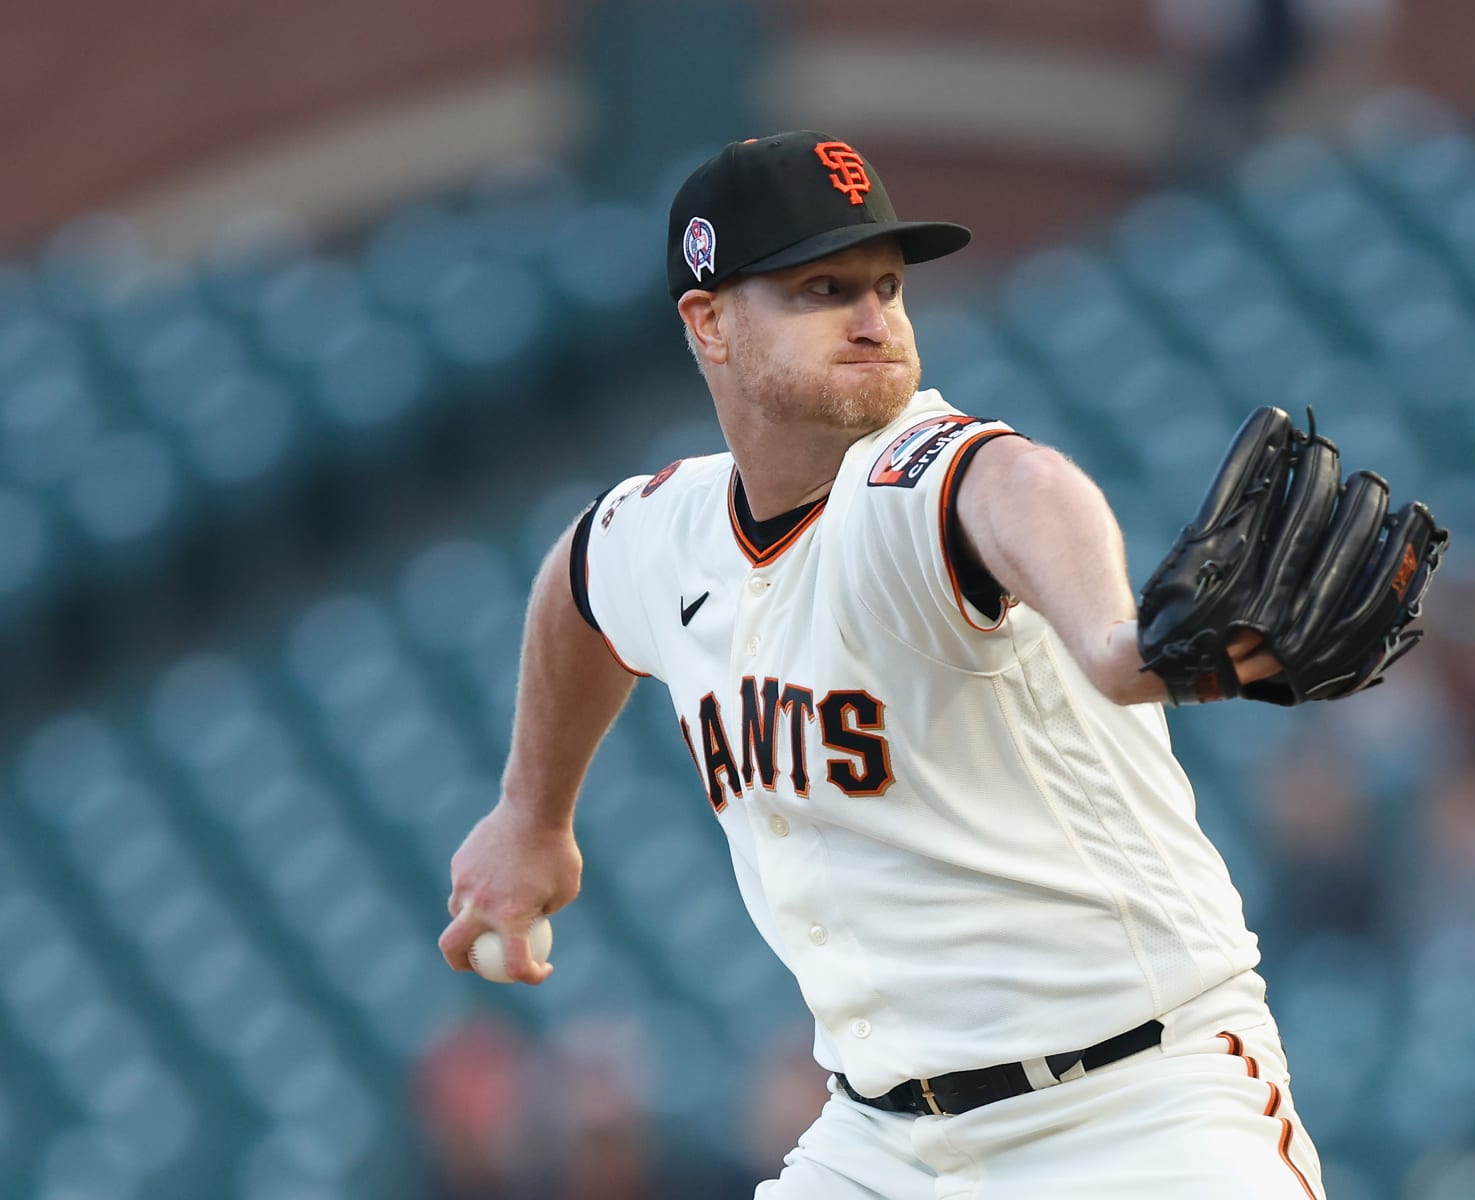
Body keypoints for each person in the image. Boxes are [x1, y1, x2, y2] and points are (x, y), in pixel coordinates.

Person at [439, 130, 1326, 1198]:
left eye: (888, 286)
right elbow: (577, 586)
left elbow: (1015, 485)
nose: (874, 321)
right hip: (885, 1144)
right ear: (708, 320)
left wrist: (1109, 638)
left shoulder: (917, 476)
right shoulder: (664, 530)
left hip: (1137, 1109)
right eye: (822, 288)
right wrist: (533, 815)